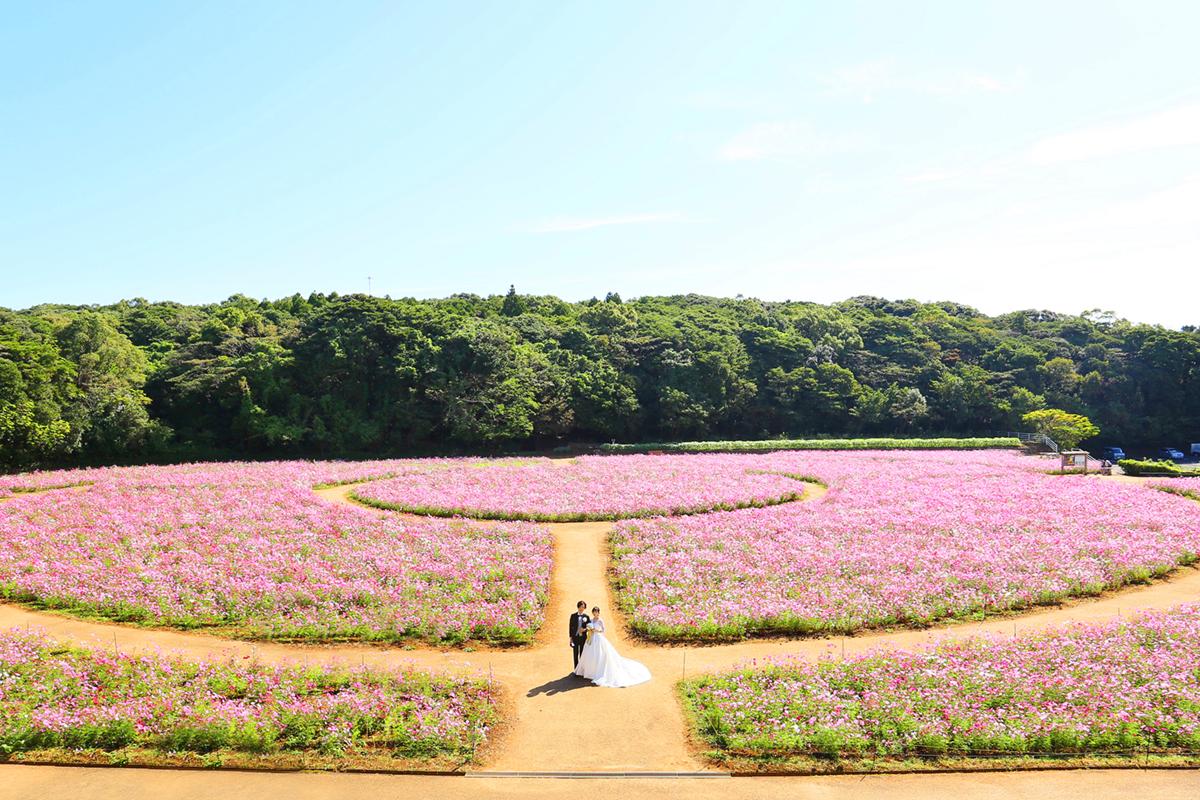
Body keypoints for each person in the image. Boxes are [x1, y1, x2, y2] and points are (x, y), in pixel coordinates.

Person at [573, 606, 652, 688]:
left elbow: (603, 630)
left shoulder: (600, 620)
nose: (595, 613)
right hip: (591, 639)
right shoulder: (591, 620)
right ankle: (590, 671)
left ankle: (598, 672)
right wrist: (589, 629)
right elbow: (588, 628)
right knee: (590, 654)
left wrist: (596, 631)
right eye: (594, 612)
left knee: (600, 654)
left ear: (598, 613)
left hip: (598, 638)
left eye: (596, 612)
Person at [568, 600, 590, 669]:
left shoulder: (586, 616)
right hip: (575, 637)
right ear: (578, 607)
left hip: (583, 638)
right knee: (575, 653)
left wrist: (584, 630)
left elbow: (589, 627)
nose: (581, 608)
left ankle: (581, 668)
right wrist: (571, 638)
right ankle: (576, 669)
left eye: (583, 607)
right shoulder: (573, 616)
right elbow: (570, 627)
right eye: (580, 607)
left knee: (582, 653)